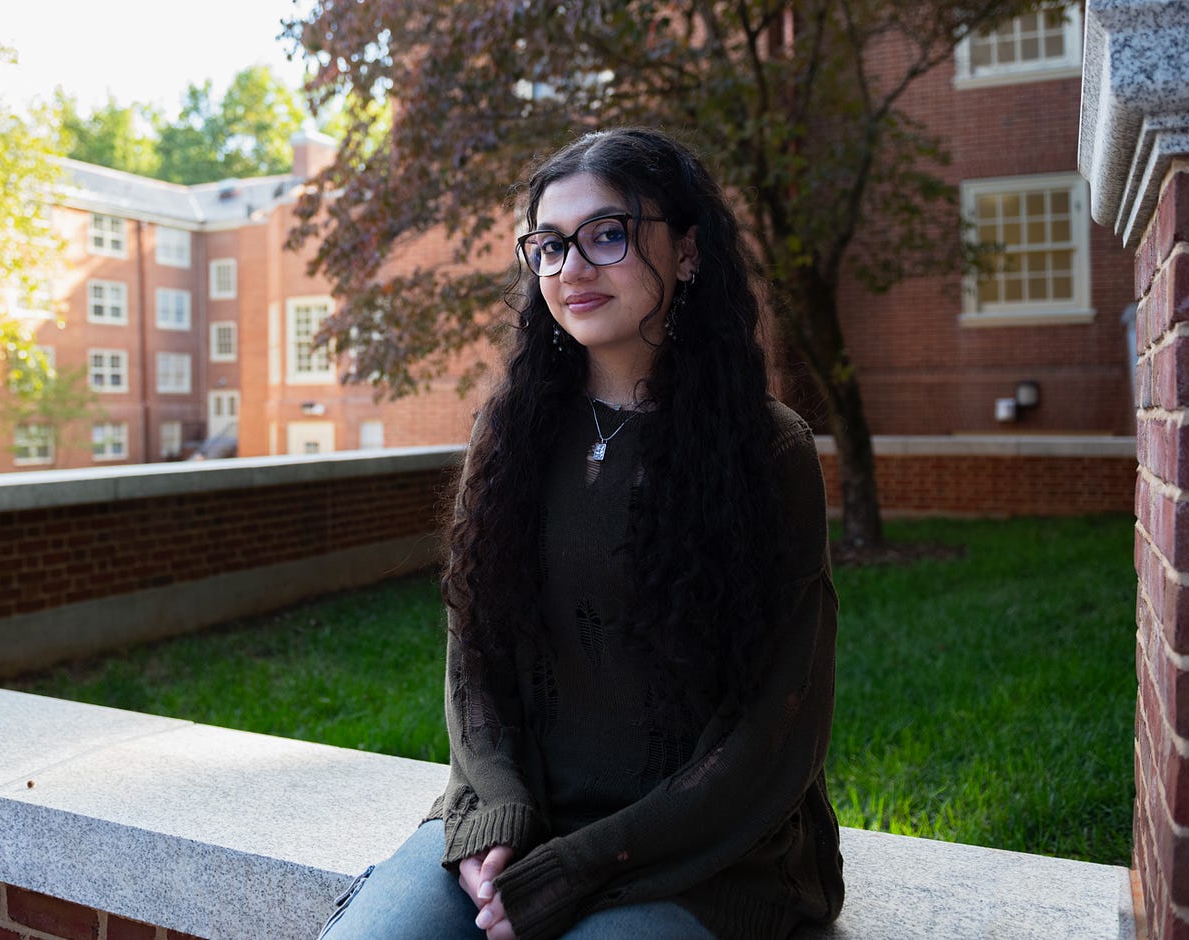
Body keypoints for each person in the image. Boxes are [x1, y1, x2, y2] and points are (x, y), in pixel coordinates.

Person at [318, 126, 844, 940]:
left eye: (608, 234)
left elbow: (775, 725)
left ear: (689, 253)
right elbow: (475, 654)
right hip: (519, 816)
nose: (573, 269)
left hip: (703, 853)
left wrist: (585, 864)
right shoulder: (511, 432)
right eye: (550, 246)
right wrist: (494, 816)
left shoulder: (766, 451)